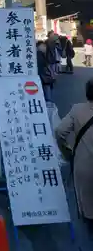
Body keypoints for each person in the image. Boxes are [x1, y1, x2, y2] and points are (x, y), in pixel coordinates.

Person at [55, 78, 93, 237]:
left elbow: (59, 131)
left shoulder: (77, 110)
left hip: (84, 165)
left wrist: (67, 151)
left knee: (87, 207)